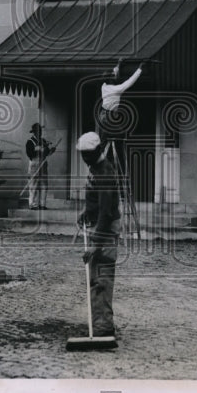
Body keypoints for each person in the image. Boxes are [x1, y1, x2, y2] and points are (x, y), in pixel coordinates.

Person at [76, 131, 120, 338]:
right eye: (82, 154)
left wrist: (95, 244)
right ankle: (99, 322)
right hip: (97, 226)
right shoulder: (95, 167)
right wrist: (86, 211)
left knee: (101, 279)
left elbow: (107, 211)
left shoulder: (105, 172)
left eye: (88, 154)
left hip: (105, 230)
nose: (85, 159)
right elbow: (96, 203)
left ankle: (103, 327)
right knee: (94, 278)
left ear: (99, 150)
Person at [98, 58, 143, 146]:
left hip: (104, 115)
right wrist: (139, 69)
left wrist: (119, 64)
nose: (116, 76)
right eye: (113, 76)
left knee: (104, 140)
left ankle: (103, 151)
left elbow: (115, 73)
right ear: (111, 79)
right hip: (109, 117)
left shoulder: (104, 86)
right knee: (118, 136)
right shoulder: (116, 89)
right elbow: (130, 81)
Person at [25, 123, 55, 210]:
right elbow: (29, 154)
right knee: (33, 185)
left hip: (43, 165)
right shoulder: (30, 142)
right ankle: (33, 205)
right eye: (38, 131)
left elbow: (47, 153)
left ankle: (42, 205)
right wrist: (40, 148)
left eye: (40, 131)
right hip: (34, 164)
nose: (40, 133)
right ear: (34, 132)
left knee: (44, 185)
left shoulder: (43, 141)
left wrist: (51, 151)